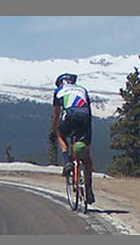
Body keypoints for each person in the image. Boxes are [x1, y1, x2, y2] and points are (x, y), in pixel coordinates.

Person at [52, 73, 95, 204]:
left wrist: (54, 130)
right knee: (86, 155)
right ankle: (88, 188)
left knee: (60, 134)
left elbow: (56, 114)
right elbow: (89, 109)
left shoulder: (59, 91)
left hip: (69, 118)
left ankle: (67, 162)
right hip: (85, 119)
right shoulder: (82, 89)